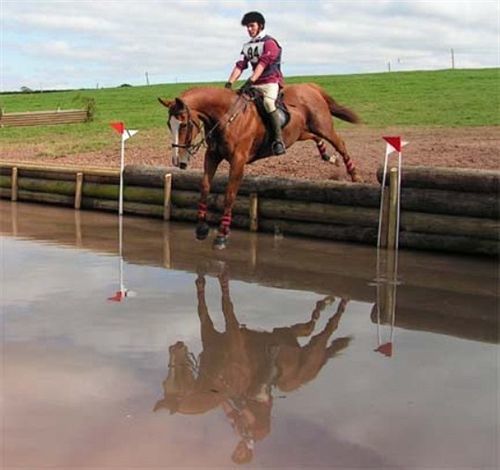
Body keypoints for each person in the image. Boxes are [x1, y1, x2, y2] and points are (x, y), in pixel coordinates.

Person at [225, 11, 286, 156]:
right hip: (254, 83)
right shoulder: (247, 46)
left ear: (260, 26)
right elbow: (240, 65)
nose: (249, 29)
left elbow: (263, 64)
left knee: (268, 104)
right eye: (247, 27)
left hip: (270, 82)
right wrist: (229, 83)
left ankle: (278, 140)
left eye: (251, 26)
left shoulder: (270, 43)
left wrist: (251, 80)